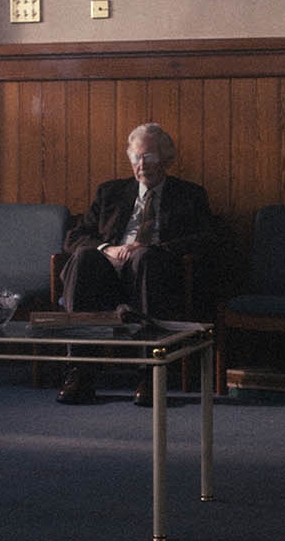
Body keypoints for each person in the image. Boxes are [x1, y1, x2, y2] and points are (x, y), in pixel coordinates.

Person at [56, 122, 215, 405]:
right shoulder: (110, 193)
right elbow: (74, 237)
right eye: (136, 157)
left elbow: (207, 238)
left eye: (149, 157)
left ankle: (151, 374)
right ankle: (80, 372)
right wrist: (109, 248)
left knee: (144, 257)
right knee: (83, 257)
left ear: (165, 159)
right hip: (107, 274)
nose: (142, 165)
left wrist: (155, 247)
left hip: (155, 273)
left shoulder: (189, 195)